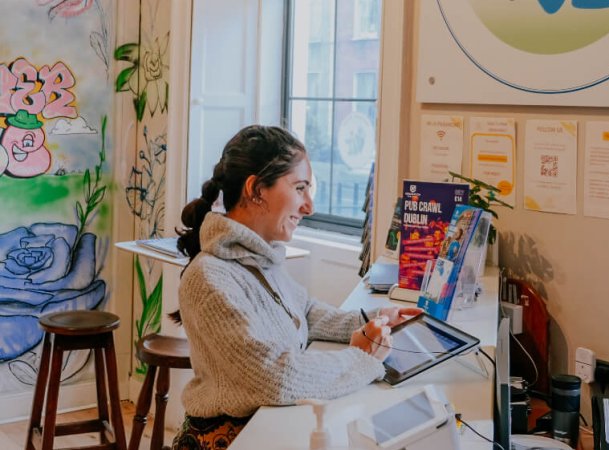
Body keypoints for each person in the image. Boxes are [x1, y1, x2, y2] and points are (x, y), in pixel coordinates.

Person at [169, 125, 421, 449]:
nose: (309, 206)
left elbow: (303, 312)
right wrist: (361, 357)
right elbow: (274, 377)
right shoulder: (209, 277)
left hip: (268, 427)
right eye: (300, 188)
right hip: (234, 439)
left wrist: (378, 319)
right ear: (256, 189)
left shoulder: (260, 257)